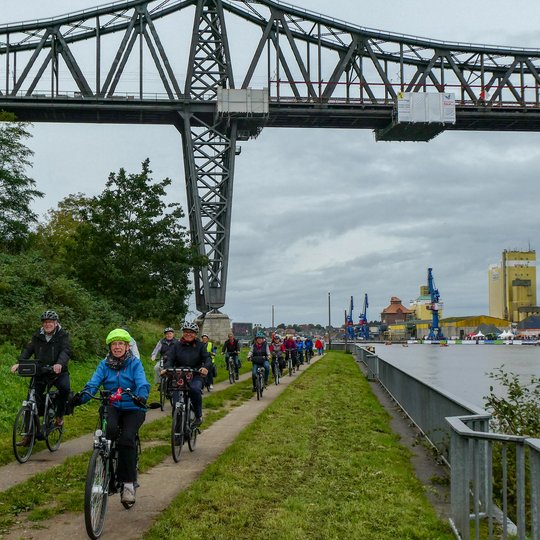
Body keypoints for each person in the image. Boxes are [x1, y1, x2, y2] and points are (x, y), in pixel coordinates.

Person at [71, 328, 150, 505]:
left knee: (126, 439)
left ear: (127, 346)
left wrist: (142, 396)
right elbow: (93, 384)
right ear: (110, 347)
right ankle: (106, 468)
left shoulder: (135, 363)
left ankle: (128, 484)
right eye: (114, 344)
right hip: (111, 406)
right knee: (108, 434)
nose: (117, 347)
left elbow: (142, 382)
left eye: (120, 343)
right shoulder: (104, 364)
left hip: (133, 407)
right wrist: (79, 398)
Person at [11, 310, 72, 437]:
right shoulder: (37, 335)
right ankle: (28, 435)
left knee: (65, 389)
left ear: (56, 323)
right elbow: (28, 350)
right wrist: (20, 363)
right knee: (31, 399)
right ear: (42, 324)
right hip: (41, 371)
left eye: (50, 322)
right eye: (45, 322)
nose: (47, 324)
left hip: (57, 372)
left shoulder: (62, 335)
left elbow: (65, 351)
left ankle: (59, 416)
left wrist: (60, 364)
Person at [162, 321, 211, 426]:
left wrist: (205, 367)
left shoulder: (200, 346)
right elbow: (169, 359)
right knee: (176, 404)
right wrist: (167, 369)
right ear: (182, 333)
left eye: (191, 332)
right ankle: (178, 428)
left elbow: (207, 358)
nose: (188, 334)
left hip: (196, 375)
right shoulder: (176, 345)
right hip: (179, 375)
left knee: (195, 389)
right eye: (186, 332)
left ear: (196, 334)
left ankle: (198, 416)